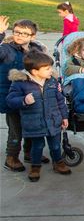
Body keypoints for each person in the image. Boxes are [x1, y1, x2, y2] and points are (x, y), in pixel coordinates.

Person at [6, 51, 71, 182]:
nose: (51, 71)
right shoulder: (20, 83)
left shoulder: (52, 81)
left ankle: (58, 162)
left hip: (53, 120)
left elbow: (60, 100)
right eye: (47, 69)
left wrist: (64, 117)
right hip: (34, 122)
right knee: (37, 146)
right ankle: (35, 167)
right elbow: (10, 100)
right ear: (35, 71)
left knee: (55, 145)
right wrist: (23, 100)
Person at [1, 19, 49, 172]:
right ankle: (12, 157)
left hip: (33, 95)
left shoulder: (37, 50)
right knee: (16, 128)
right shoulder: (6, 49)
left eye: (24, 33)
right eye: (16, 32)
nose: (19, 35)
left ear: (32, 36)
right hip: (12, 96)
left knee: (32, 125)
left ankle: (30, 152)